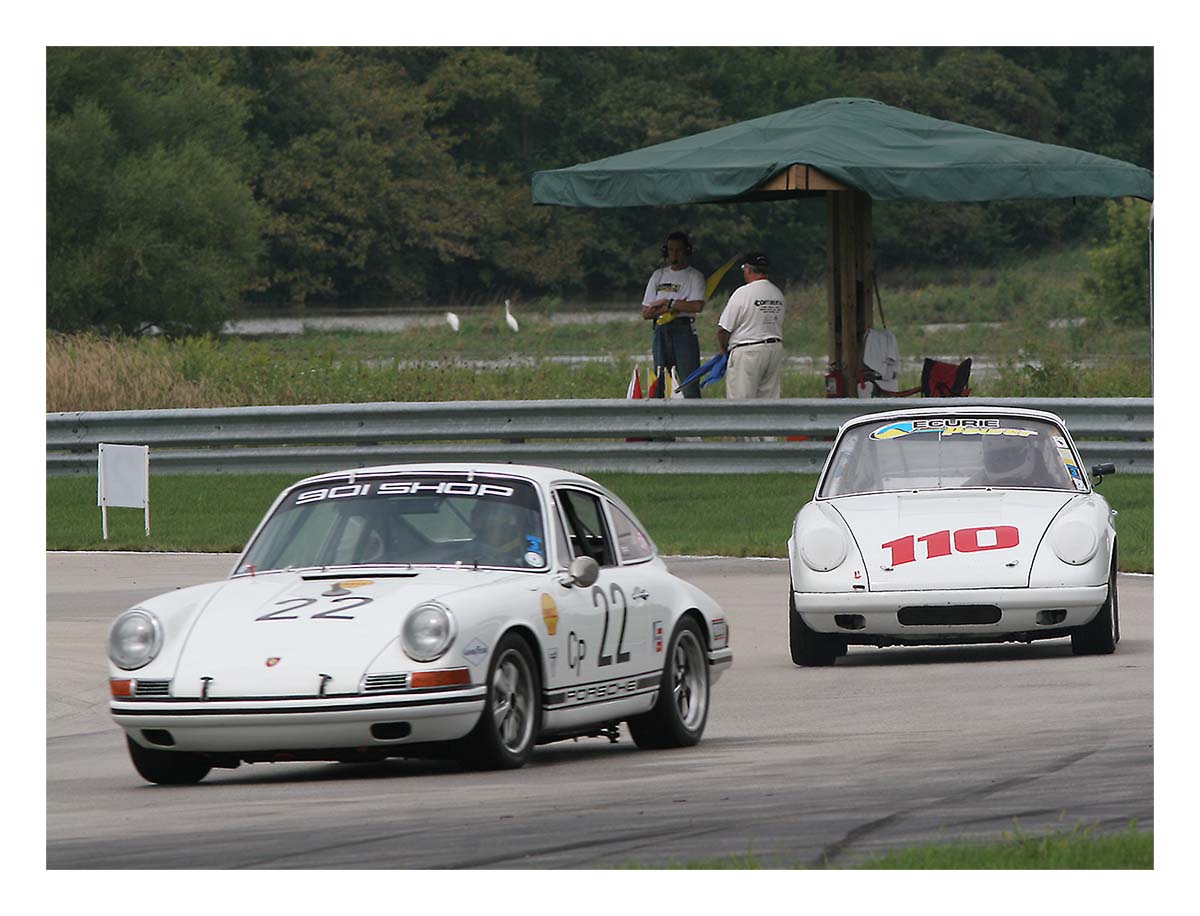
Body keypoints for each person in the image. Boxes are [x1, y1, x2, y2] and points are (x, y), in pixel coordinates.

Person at [642, 231, 705, 398]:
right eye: (670, 250)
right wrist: (671, 306)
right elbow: (646, 312)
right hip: (660, 329)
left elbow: (696, 305)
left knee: (689, 382)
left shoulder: (694, 276)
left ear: (687, 251)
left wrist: (667, 303)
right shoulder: (658, 275)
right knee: (659, 382)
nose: (674, 254)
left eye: (678, 250)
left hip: (683, 329)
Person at [716, 252, 786, 399]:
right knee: (769, 402)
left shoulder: (743, 293)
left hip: (748, 351)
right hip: (774, 349)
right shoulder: (777, 294)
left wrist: (723, 349)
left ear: (748, 269)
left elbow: (723, 329)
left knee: (741, 402)